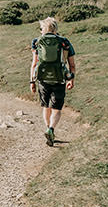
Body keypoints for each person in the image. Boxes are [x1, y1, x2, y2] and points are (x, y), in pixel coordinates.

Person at [30, 17, 76, 146]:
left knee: (46, 106)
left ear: (43, 29)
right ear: (55, 29)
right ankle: (51, 129)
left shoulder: (36, 42)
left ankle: (47, 128)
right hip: (60, 78)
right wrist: (71, 79)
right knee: (56, 108)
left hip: (43, 78)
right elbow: (72, 64)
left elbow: (34, 64)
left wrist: (32, 81)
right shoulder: (65, 42)